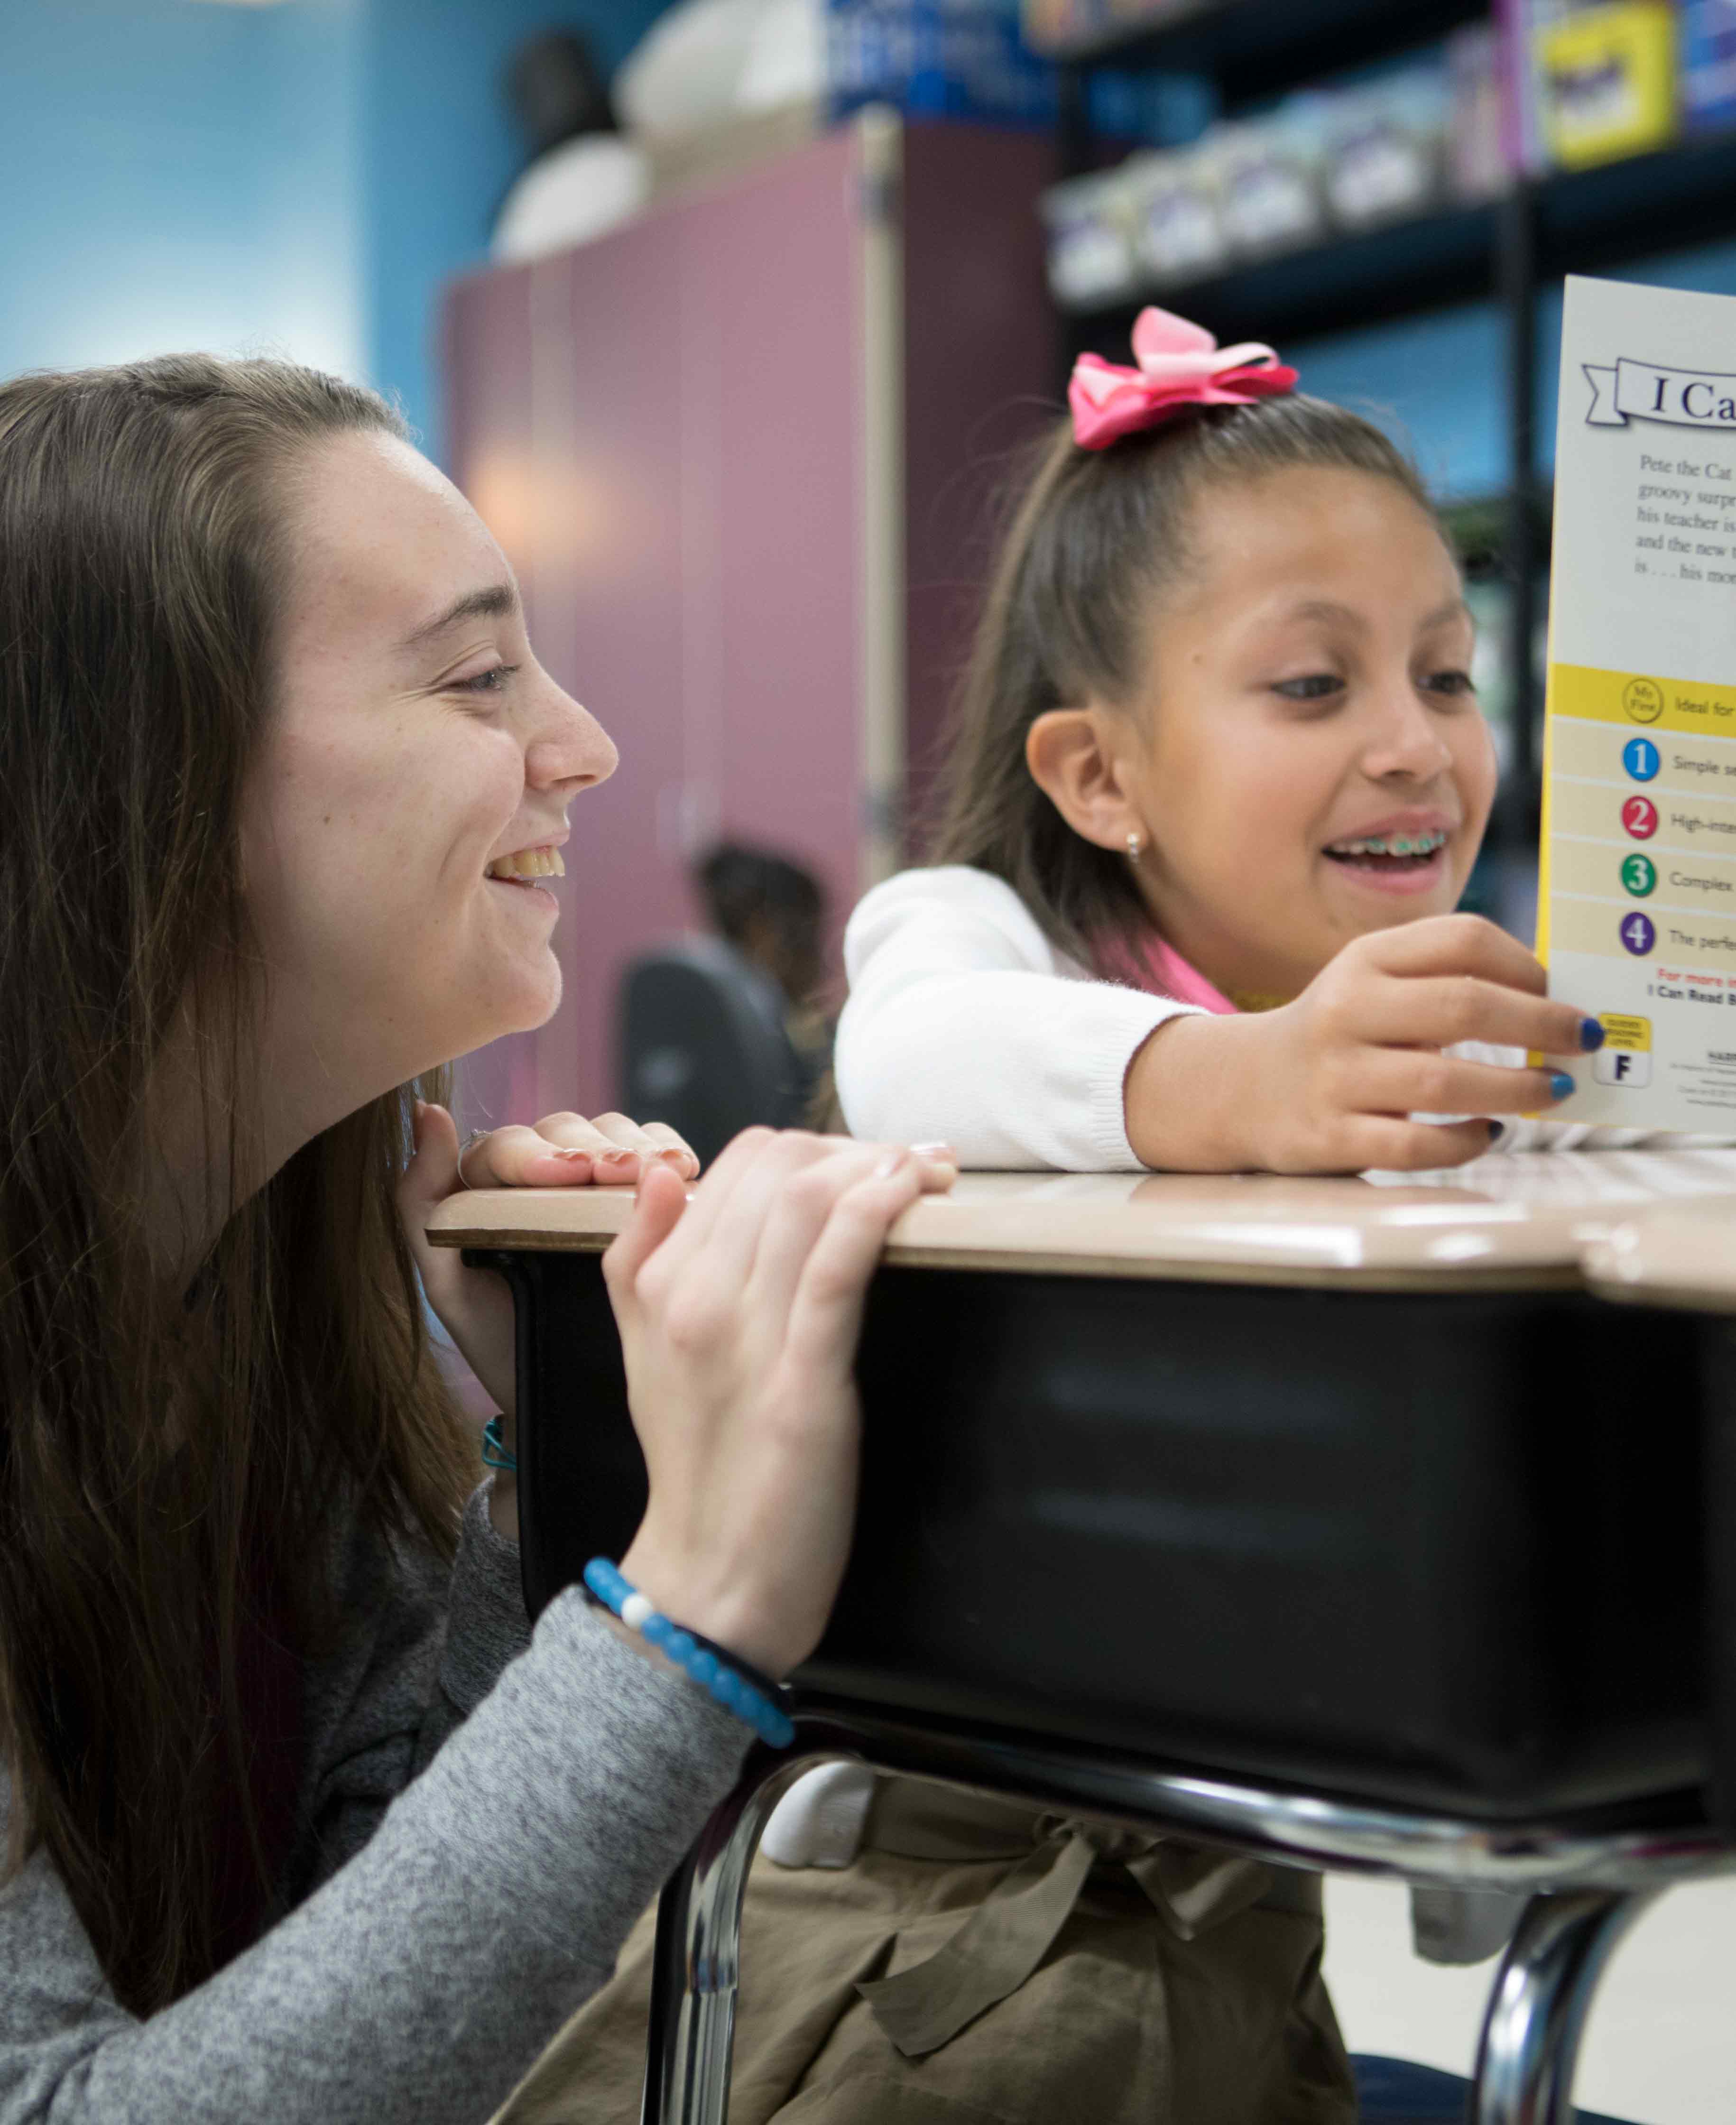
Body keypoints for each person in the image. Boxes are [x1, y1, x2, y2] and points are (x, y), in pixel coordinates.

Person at [0, 352, 952, 2125]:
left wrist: (519, 1490)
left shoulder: (261, 1306)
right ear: (145, 780)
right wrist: (690, 1610)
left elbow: (347, 1980)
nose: (583, 746)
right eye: (471, 678)